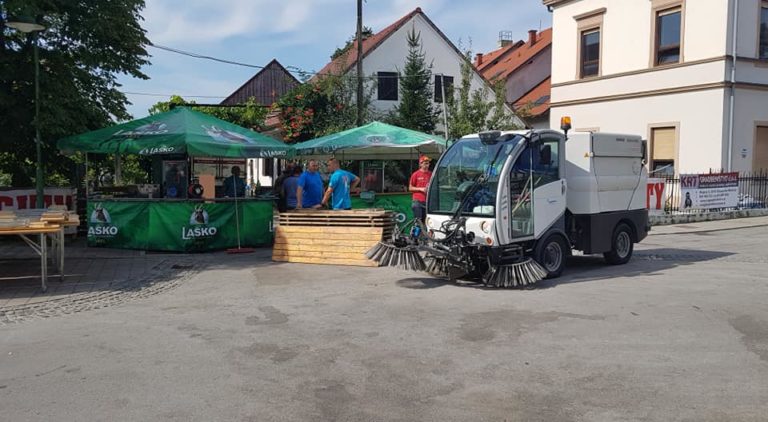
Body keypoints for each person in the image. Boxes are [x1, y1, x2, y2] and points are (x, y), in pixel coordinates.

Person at [409, 155, 433, 222]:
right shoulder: (415, 174)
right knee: (418, 221)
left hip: (428, 201)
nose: (427, 165)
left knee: (427, 222)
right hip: (417, 201)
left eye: (428, 163)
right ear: (420, 164)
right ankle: (416, 228)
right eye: (425, 163)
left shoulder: (431, 174)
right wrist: (420, 189)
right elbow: (410, 188)